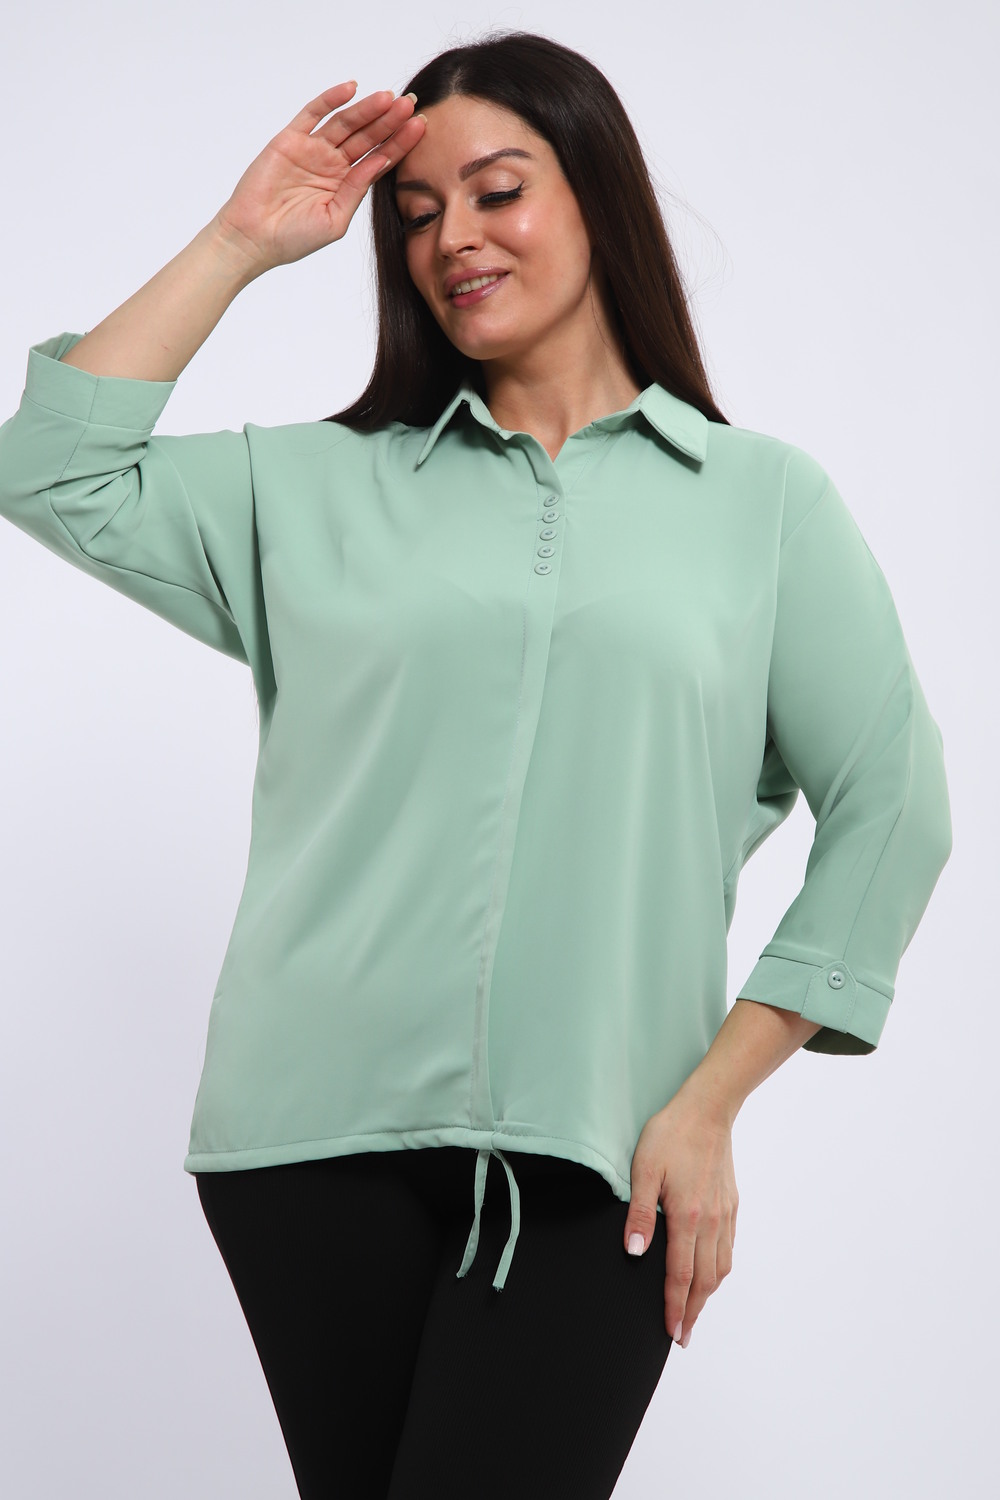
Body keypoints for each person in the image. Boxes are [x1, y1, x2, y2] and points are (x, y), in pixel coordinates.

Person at [0, 29, 952, 1500]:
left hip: (603, 1152)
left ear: (598, 197)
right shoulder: (311, 486)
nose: (454, 238)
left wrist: (710, 1101)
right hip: (308, 1146)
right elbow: (49, 468)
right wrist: (242, 241)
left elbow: (895, 805)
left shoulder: (762, 504)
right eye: (419, 211)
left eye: (498, 191)